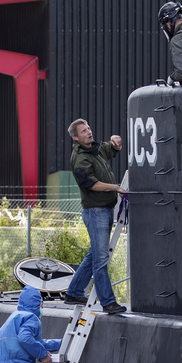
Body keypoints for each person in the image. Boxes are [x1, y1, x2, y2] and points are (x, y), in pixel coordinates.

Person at [61, 118, 127, 315]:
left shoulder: (94, 150)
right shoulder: (80, 158)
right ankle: (108, 302)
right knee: (100, 259)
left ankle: (73, 292)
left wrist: (117, 141)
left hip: (105, 209)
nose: (89, 132)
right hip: (95, 211)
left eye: (88, 128)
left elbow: (110, 148)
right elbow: (90, 184)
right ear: (75, 137)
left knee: (94, 255)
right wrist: (115, 187)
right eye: (83, 131)